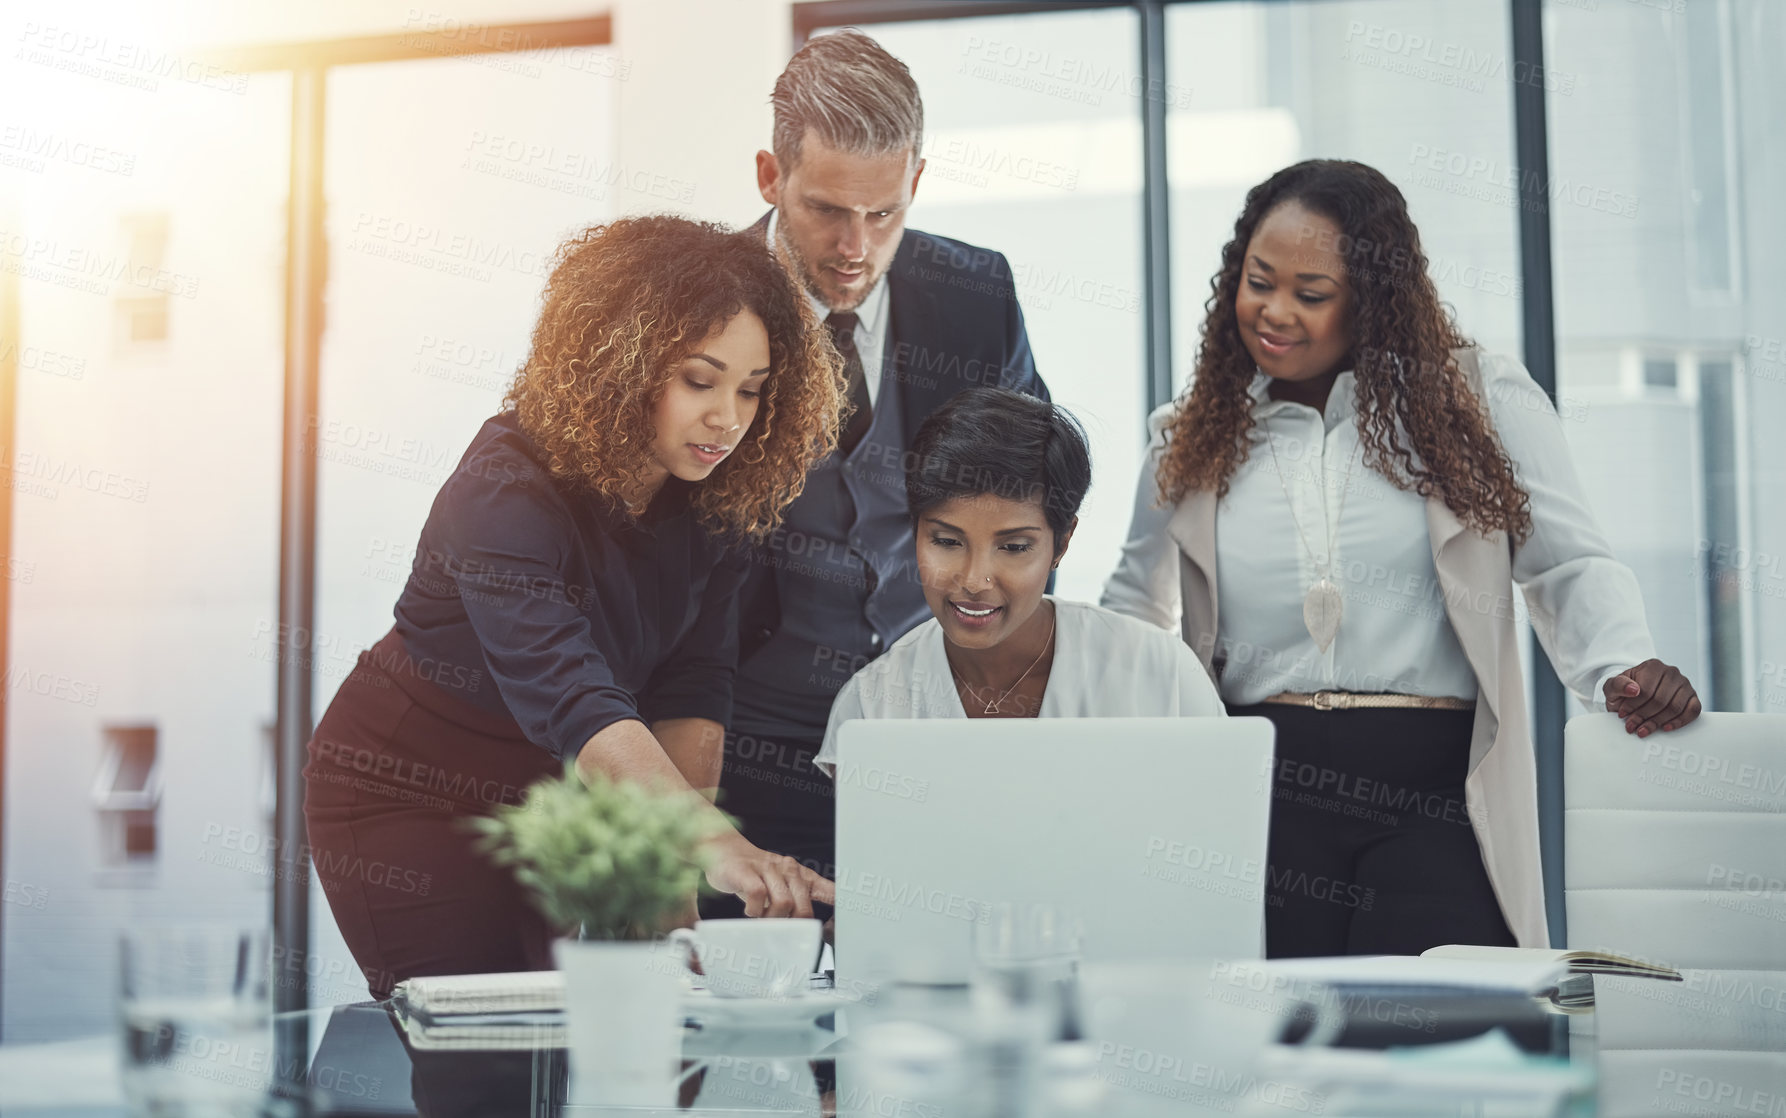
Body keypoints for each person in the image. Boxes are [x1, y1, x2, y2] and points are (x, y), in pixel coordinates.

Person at [1102, 159, 1701, 958]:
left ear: (1374, 299)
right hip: (1256, 792)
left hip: (1437, 793)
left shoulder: (1477, 398)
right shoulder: (1190, 434)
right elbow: (1135, 609)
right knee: (1282, 1056)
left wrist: (1622, 664)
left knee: (1435, 1040)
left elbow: (1565, 563)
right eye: (1258, 282)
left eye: (1311, 294)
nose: (1274, 313)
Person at [303, 216, 845, 995]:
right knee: (490, 1055)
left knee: (613, 1034)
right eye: (700, 379)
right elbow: (570, 693)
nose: (728, 418)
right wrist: (715, 842)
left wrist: (679, 918)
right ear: (618, 364)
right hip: (409, 792)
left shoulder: (717, 495)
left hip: (565, 800)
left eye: (752, 390)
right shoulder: (501, 490)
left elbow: (692, 687)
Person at [709, 29, 1051, 914]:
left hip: (922, 732)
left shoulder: (976, 293)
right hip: (743, 733)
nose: (855, 246)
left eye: (884, 213)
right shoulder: (702, 304)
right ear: (768, 177)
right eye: (826, 209)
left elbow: (1035, 486)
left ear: (917, 183)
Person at [813, 388, 1224, 778]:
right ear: (915, 532)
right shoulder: (871, 706)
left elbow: (1219, 831)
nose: (974, 580)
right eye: (947, 541)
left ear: (1061, 543)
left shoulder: (1161, 675)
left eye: (1013, 547)